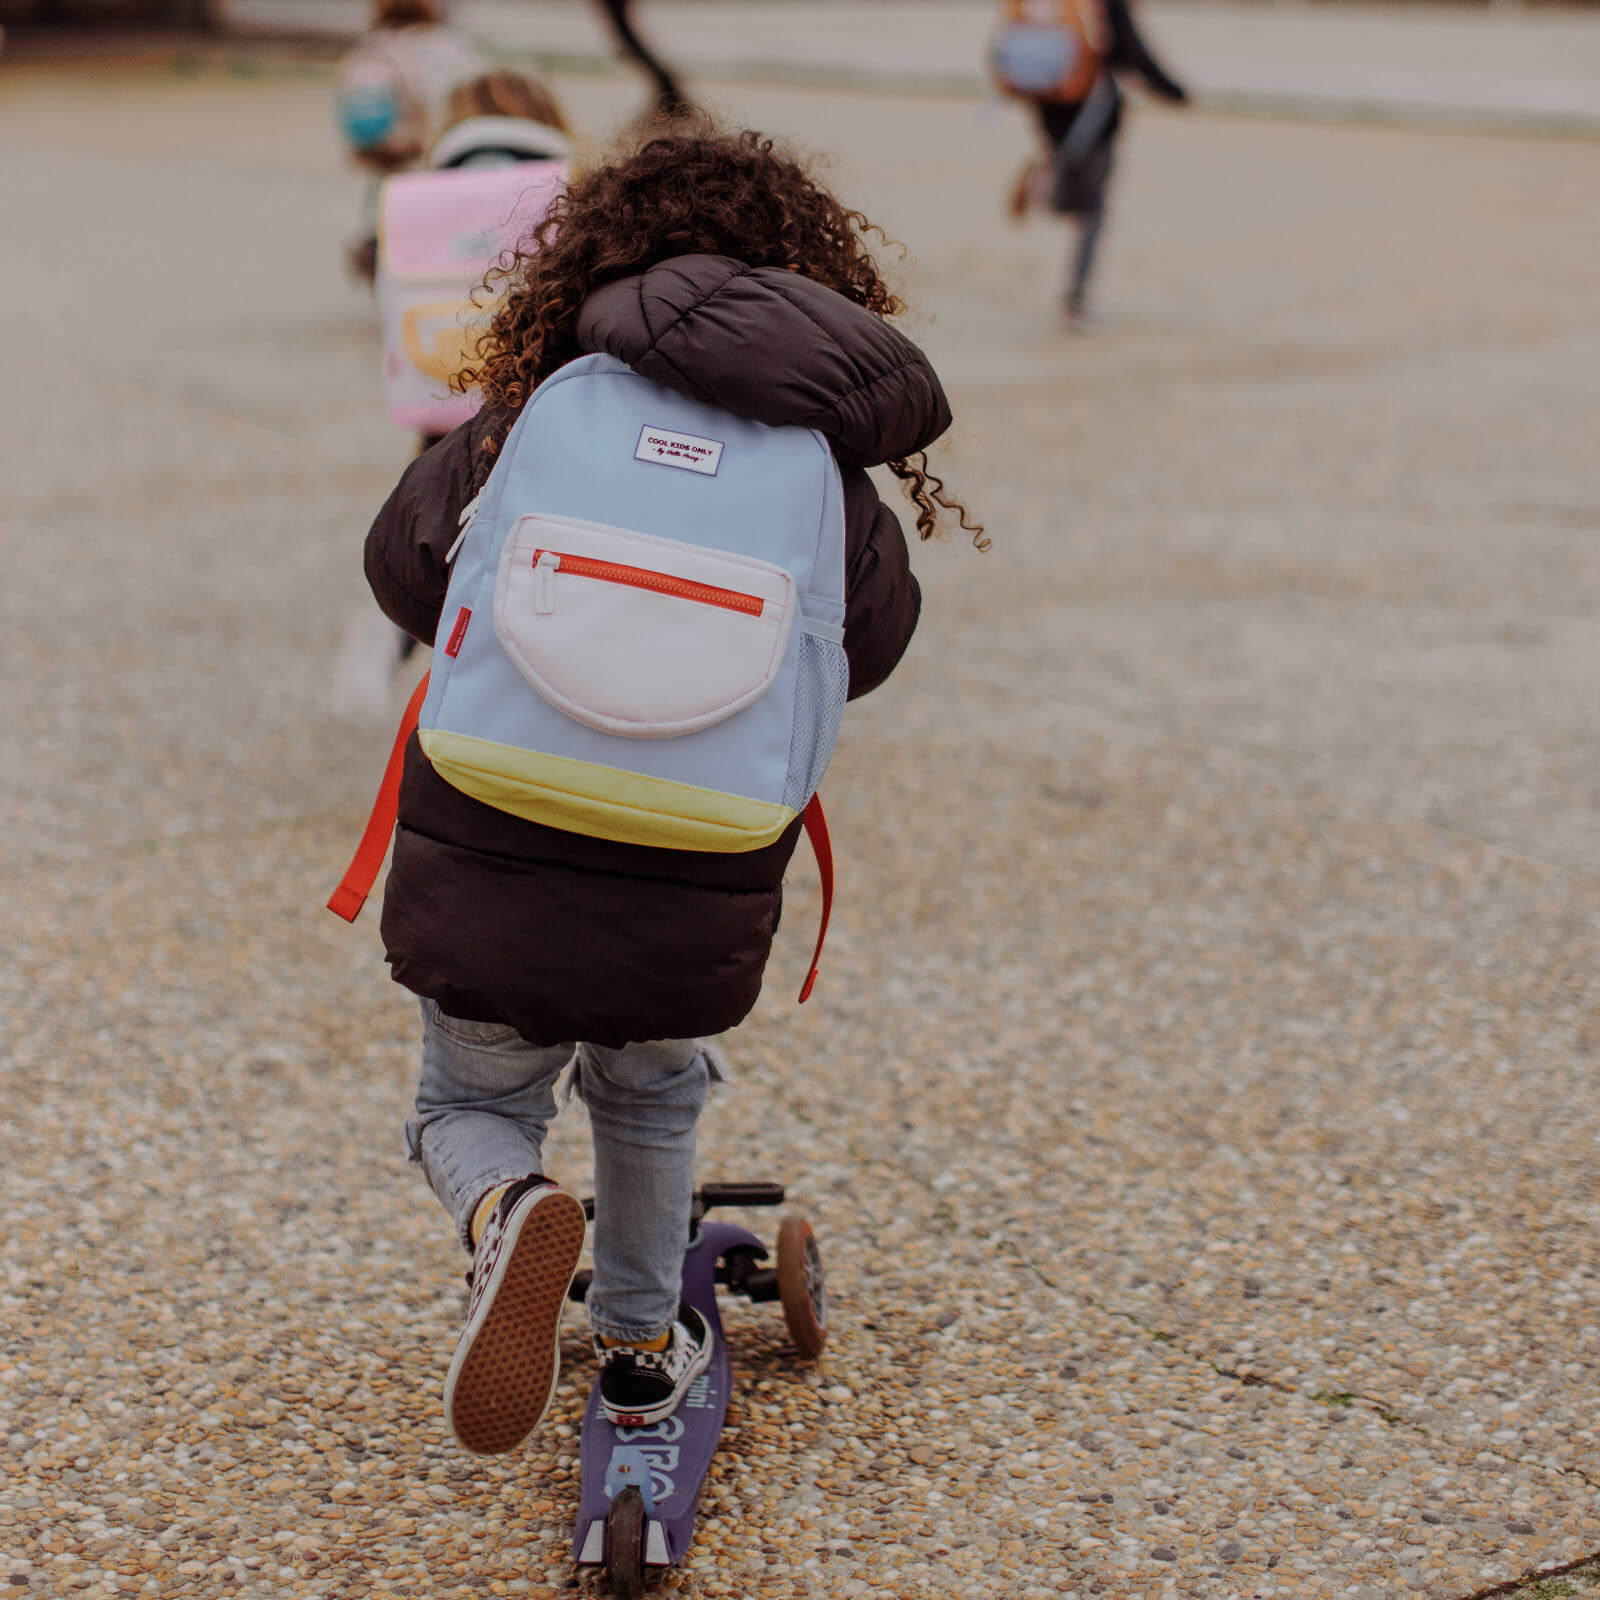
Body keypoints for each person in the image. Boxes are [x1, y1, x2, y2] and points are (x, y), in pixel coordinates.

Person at [358, 123, 981, 1450]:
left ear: (596, 251)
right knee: (649, 1087)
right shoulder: (822, 459)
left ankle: (507, 1211)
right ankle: (641, 1338)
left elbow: (406, 567)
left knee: (467, 1101)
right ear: (813, 278)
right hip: (695, 850)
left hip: (491, 823)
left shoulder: (546, 402)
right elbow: (869, 645)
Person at [1000, 0, 1188, 323]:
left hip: (1050, 106)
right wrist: (1174, 92)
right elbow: (1131, 49)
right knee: (1092, 210)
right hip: (1094, 113)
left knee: (1075, 189)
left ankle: (1048, 184)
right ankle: (1076, 299)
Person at [337, 0, 488, 282]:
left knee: (384, 222)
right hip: (439, 163)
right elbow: (480, 98)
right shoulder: (452, 49)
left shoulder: (369, 50)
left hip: (390, 168)